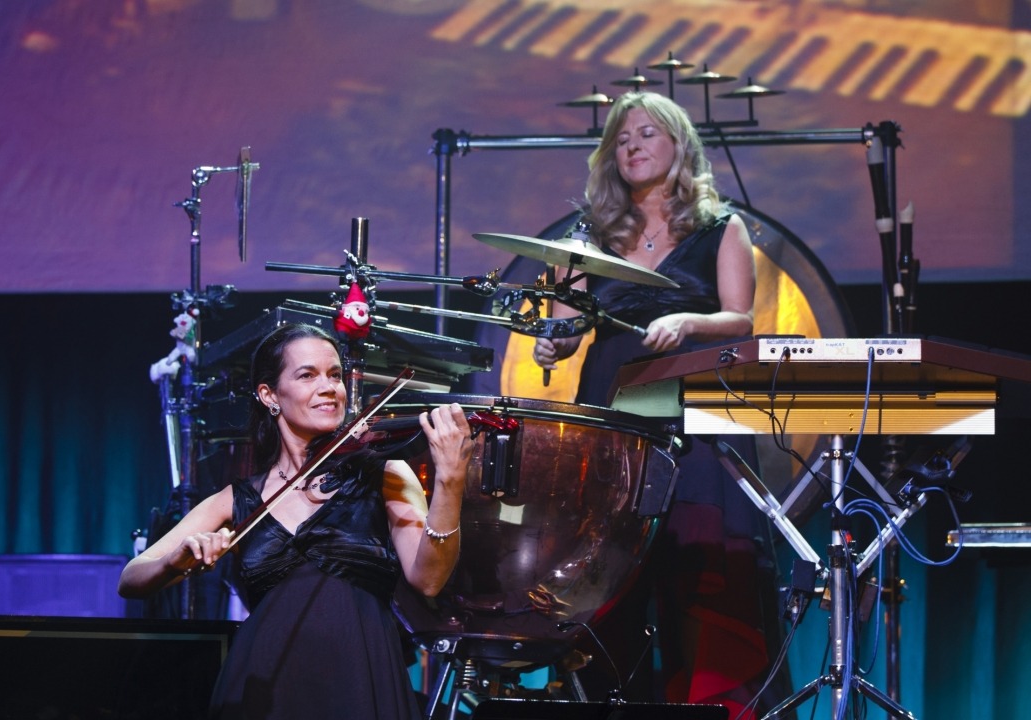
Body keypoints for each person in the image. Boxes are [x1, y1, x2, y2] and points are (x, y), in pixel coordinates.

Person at [533, 91, 789, 718]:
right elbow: (566, 328)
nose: (632, 147)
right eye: (621, 140)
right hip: (614, 410)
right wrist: (550, 345)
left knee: (700, 561)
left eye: (646, 134)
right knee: (611, 565)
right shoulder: (587, 237)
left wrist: (688, 322)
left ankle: (714, 705)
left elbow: (741, 319)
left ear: (678, 146)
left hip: (696, 406)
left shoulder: (718, 227)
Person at [119, 323, 475, 720]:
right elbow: (131, 578)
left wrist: (450, 481)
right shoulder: (237, 498)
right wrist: (176, 561)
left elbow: (429, 578)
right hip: (262, 685)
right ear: (269, 395)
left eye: (335, 375)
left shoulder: (384, 474)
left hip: (361, 679)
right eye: (307, 375)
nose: (330, 388)